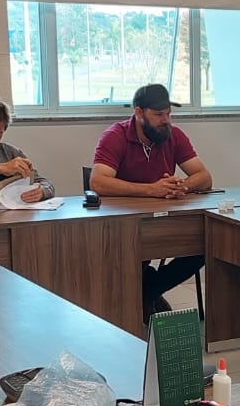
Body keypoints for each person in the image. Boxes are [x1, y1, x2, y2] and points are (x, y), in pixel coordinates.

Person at [91, 84, 214, 316]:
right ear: (139, 112)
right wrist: (151, 190)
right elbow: (98, 182)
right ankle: (147, 291)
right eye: (158, 115)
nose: (165, 120)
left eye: (168, 113)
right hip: (125, 224)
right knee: (130, 257)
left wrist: (180, 186)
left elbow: (204, 177)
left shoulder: (173, 135)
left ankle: (149, 289)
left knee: (206, 241)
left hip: (165, 219)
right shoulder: (115, 136)